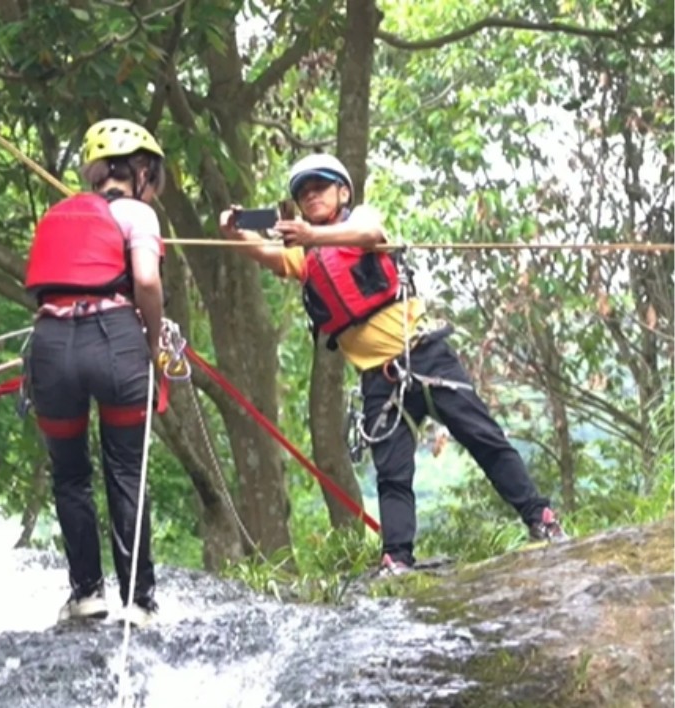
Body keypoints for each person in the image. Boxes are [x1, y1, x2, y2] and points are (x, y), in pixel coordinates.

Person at [220, 153, 568, 575]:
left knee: (483, 438)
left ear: (342, 192)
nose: (311, 196)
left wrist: (311, 233)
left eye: (320, 188)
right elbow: (269, 255)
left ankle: (541, 518)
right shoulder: (305, 254)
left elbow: (369, 233)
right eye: (303, 193)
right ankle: (397, 558)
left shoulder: (360, 219)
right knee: (392, 473)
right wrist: (237, 232)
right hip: (379, 380)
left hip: (425, 355)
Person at [24, 118, 166, 626]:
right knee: (126, 470)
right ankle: (139, 601)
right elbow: (145, 280)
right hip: (116, 341)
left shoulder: (59, 216)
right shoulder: (139, 213)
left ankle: (86, 593)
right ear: (142, 170)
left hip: (51, 345)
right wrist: (154, 343)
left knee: (69, 473)